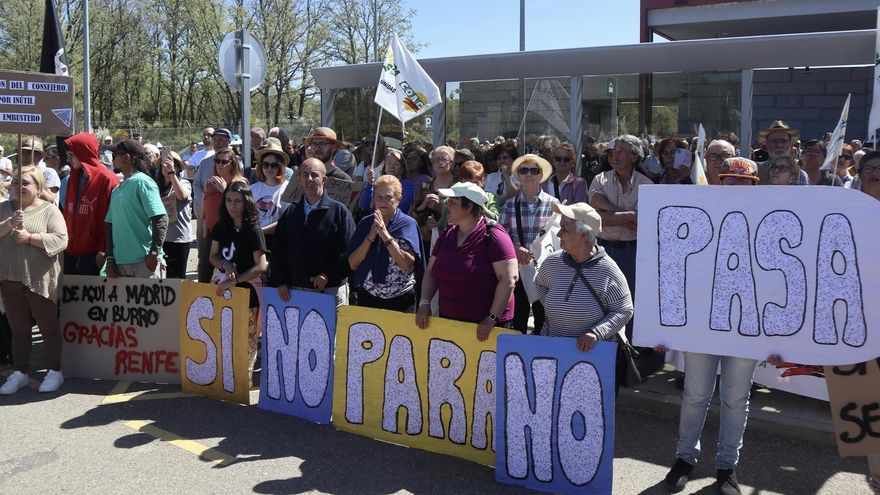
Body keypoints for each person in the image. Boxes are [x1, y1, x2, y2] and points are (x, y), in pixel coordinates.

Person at [658, 157, 783, 495]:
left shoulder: (769, 221)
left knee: (735, 399)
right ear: (718, 181)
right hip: (702, 324)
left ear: (754, 185)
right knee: (695, 395)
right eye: (729, 179)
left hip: (746, 327)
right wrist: (664, 327)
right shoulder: (697, 216)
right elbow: (674, 267)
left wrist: (780, 338)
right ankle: (684, 458)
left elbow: (778, 280)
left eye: (743, 181)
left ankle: (727, 466)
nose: (735, 186)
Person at [534, 202, 632, 391]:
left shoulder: (608, 270)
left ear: (584, 234)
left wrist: (595, 332)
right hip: (554, 352)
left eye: (564, 228)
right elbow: (539, 283)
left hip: (593, 361)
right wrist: (549, 307)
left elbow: (624, 310)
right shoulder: (553, 262)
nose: (558, 234)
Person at [415, 182, 518, 340]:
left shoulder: (494, 235)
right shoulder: (447, 234)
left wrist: (491, 318)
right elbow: (431, 272)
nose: (446, 205)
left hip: (487, 329)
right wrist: (424, 303)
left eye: (453, 202)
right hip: (449, 323)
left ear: (469, 207)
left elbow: (509, 279)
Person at [0, 166, 68, 394]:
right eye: (16, 182)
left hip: (40, 279)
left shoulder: (49, 210)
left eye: (25, 183)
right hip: (9, 278)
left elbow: (61, 240)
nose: (19, 187)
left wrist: (30, 238)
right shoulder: (4, 209)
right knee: (19, 329)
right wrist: (9, 224)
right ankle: (20, 372)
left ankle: (55, 371)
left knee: (48, 328)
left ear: (38, 188)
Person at [588, 135, 653, 341]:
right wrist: (631, 215)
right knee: (599, 299)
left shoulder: (647, 185)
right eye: (613, 151)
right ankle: (603, 344)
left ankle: (630, 347)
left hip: (632, 252)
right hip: (602, 250)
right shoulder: (600, 179)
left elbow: (644, 224)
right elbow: (597, 218)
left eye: (621, 151)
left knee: (630, 299)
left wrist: (611, 213)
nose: (615, 156)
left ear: (634, 156)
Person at [271, 158, 355, 307]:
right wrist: (281, 280)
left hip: (330, 290)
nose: (309, 179)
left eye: (314, 175)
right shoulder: (291, 212)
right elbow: (278, 250)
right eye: (305, 175)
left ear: (324, 179)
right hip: (295, 291)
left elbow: (349, 252)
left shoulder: (339, 212)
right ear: (299, 178)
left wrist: (329, 275)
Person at [209, 181, 267, 380]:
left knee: (247, 338)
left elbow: (261, 265)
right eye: (228, 200)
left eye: (237, 201)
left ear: (246, 202)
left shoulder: (253, 230)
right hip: (222, 288)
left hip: (248, 292)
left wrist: (236, 280)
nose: (232, 206)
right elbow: (212, 256)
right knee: (223, 334)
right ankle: (224, 379)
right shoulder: (221, 226)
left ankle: (243, 380)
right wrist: (225, 264)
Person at [347, 175, 424, 312]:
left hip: (401, 299)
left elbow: (407, 265)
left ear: (398, 199)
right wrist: (370, 237)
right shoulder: (366, 223)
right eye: (379, 197)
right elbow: (353, 264)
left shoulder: (407, 224)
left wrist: (385, 234)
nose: (383, 202)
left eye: (388, 197)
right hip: (368, 297)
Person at [500, 154, 558, 333]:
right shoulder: (509, 205)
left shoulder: (554, 204)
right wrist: (515, 248)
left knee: (543, 319)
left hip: (545, 271)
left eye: (534, 170)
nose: (529, 174)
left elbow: (560, 238)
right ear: (518, 175)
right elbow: (500, 236)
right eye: (524, 170)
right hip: (517, 270)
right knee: (518, 319)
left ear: (541, 175)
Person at [104, 139, 168, 279]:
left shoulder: (143, 182)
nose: (112, 159)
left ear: (127, 158)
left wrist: (153, 254)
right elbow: (110, 226)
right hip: (120, 264)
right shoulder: (116, 190)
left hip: (145, 263)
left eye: (115, 155)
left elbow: (161, 219)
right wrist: (110, 259)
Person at [62, 133, 120, 275]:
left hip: (93, 254)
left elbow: (112, 219)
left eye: (71, 155)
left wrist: (103, 251)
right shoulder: (72, 177)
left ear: (83, 153)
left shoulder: (108, 179)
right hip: (69, 251)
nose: (68, 159)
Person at [858, 150, 880, 493]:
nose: (877, 173)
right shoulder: (845, 214)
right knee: (870, 417)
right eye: (871, 168)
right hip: (861, 334)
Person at [194, 128, 231, 282]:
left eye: (221, 140)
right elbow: (196, 184)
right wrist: (203, 201)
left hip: (225, 220)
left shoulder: (235, 162)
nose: (217, 143)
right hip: (205, 217)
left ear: (229, 142)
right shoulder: (205, 162)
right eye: (215, 139)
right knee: (204, 256)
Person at [200, 147, 248, 262]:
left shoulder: (240, 183)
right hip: (212, 233)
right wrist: (204, 222)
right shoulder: (211, 182)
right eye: (217, 161)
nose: (220, 165)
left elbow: (244, 208)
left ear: (233, 164)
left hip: (230, 233)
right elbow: (205, 205)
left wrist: (225, 190)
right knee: (205, 269)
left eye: (224, 162)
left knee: (227, 268)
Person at [413, 145, 457, 250]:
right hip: (426, 240)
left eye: (445, 158)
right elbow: (414, 214)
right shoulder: (425, 186)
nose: (440, 162)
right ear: (432, 163)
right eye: (437, 159)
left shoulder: (458, 186)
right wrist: (423, 206)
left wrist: (440, 209)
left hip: (451, 240)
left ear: (452, 163)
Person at [157, 150, 193, 279]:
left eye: (170, 164)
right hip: (161, 239)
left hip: (179, 238)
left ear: (177, 168)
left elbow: (182, 196)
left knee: (177, 279)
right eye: (163, 164)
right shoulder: (157, 186)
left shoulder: (184, 183)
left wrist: (171, 174)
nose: (166, 166)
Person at [250, 140, 290, 249]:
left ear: (280, 167)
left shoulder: (288, 188)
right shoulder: (252, 189)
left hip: (279, 241)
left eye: (274, 165)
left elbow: (287, 220)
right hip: (256, 241)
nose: (269, 168)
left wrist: (261, 231)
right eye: (265, 164)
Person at [359, 149, 415, 215]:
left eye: (396, 164)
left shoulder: (408, 185)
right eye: (389, 163)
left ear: (402, 169)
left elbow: (403, 207)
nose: (392, 167)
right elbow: (363, 204)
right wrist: (370, 184)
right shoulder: (378, 184)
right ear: (384, 168)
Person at [756, 121, 809, 185]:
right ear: (766, 144)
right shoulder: (756, 171)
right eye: (774, 141)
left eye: (784, 141)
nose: (779, 145)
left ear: (791, 144)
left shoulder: (801, 176)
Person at [484, 140, 520, 205]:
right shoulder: (491, 177)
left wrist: (506, 177)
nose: (502, 161)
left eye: (505, 158)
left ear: (513, 160)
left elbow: (517, 198)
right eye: (499, 158)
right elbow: (489, 202)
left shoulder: (521, 177)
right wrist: (507, 197)